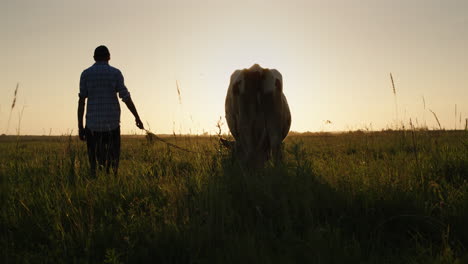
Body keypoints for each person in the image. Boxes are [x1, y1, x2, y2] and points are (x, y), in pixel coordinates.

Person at [78, 45, 144, 176]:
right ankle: (113, 179)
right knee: (113, 157)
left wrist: (80, 127)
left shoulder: (85, 74)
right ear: (109, 57)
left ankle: (94, 178)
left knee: (93, 160)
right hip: (112, 124)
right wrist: (137, 117)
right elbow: (126, 97)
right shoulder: (115, 73)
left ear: (94, 58)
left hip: (92, 126)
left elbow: (81, 102)